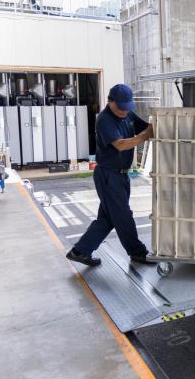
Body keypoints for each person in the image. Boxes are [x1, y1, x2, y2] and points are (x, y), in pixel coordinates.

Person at [66, 84, 154, 266]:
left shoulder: (128, 113)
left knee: (107, 219)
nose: (124, 112)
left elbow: (147, 128)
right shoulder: (104, 120)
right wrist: (145, 136)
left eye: (127, 107)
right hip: (108, 175)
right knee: (123, 215)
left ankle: (80, 251)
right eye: (121, 107)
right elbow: (120, 144)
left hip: (121, 176)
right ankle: (138, 253)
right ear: (111, 102)